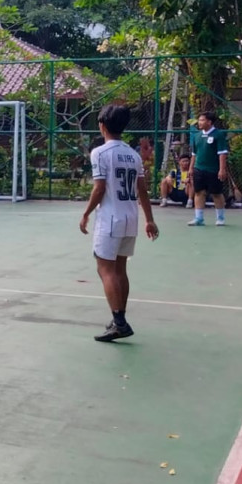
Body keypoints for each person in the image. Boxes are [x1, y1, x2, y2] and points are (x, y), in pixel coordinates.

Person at [79, 105, 159, 342]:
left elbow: (99, 187)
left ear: (102, 125)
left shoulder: (100, 153)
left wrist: (85, 213)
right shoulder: (133, 154)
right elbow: (142, 189)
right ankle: (119, 319)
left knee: (105, 269)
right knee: (120, 269)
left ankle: (120, 322)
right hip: (131, 216)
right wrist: (150, 220)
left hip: (110, 218)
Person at [189, 111, 230, 226]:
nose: (199, 122)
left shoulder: (218, 135)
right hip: (198, 169)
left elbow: (222, 153)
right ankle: (199, 218)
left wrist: (222, 169)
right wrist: (191, 169)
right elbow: (193, 154)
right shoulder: (196, 136)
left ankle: (220, 218)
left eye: (202, 120)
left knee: (216, 194)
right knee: (198, 193)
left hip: (213, 170)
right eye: (199, 120)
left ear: (209, 122)